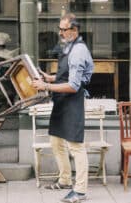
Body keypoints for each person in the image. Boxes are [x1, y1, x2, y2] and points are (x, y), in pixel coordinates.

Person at [32, 13, 94, 203]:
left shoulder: (77, 51)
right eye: (59, 29)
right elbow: (65, 77)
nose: (60, 32)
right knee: (56, 141)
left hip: (72, 101)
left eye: (63, 29)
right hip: (61, 101)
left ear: (74, 31)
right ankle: (65, 180)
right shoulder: (69, 48)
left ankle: (81, 191)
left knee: (76, 146)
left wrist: (46, 86)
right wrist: (48, 78)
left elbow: (74, 85)